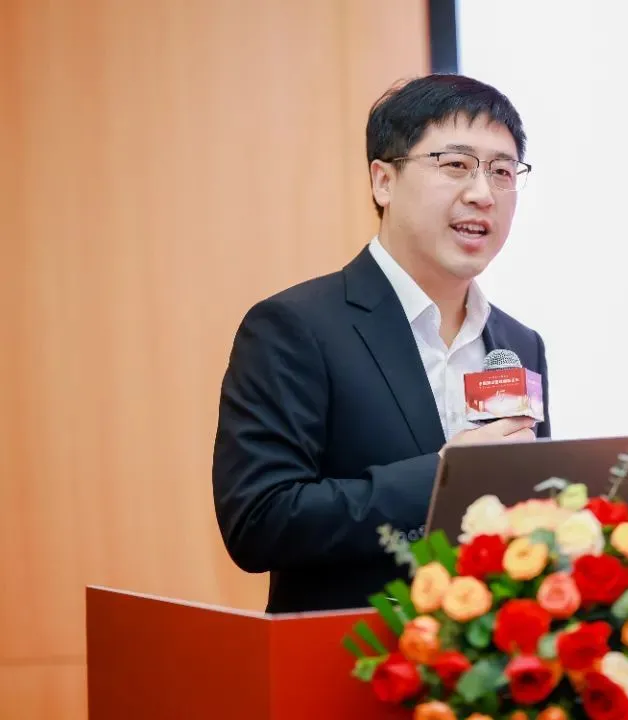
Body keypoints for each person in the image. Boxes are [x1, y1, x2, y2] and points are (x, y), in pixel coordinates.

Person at [212, 74, 550, 614]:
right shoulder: (295, 327)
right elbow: (259, 521)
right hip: (347, 656)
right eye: (455, 165)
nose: (483, 193)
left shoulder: (518, 343)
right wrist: (442, 477)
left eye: (502, 172)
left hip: (488, 659)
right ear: (383, 181)